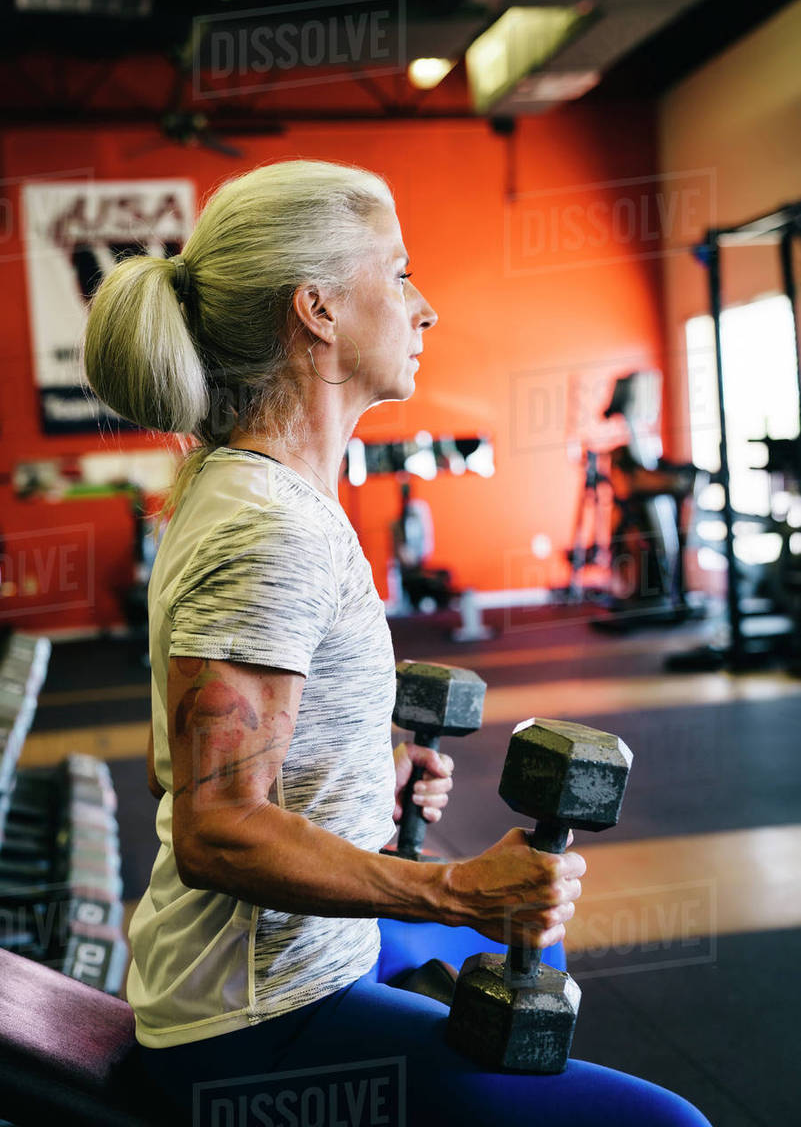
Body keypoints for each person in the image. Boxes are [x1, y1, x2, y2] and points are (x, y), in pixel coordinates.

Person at [83, 159, 711, 1126]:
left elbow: (185, 769)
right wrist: (451, 888)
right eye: (401, 272)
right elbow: (214, 828)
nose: (425, 308)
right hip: (253, 1022)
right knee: (666, 1124)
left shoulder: (252, 489)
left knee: (526, 951)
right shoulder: (268, 528)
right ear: (318, 309)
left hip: (294, 966)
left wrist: (361, 777)